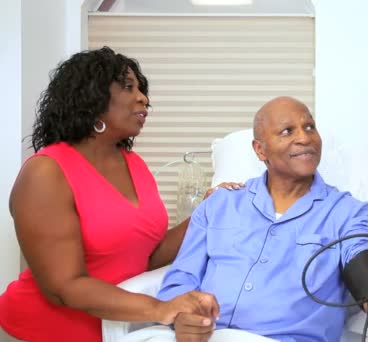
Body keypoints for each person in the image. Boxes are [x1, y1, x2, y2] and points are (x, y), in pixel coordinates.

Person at [156, 96, 368, 342]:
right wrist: (183, 315)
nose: (305, 137)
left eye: (309, 127)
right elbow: (180, 279)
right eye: (287, 131)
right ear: (260, 150)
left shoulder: (348, 213)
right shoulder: (221, 204)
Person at [0, 47, 239, 341]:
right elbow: (64, 286)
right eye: (128, 87)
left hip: (114, 332)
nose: (143, 98)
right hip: (38, 332)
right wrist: (159, 308)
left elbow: (147, 257)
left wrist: (207, 211)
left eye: (142, 89)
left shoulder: (133, 164)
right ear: (91, 99)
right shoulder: (46, 173)